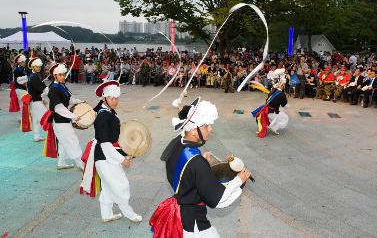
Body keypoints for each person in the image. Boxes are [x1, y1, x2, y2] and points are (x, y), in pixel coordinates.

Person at [150, 97, 251, 237]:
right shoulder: (197, 163)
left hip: (181, 211)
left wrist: (198, 166)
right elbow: (219, 200)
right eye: (205, 126)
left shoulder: (177, 143)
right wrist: (239, 180)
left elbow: (180, 172)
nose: (210, 129)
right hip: (193, 222)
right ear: (192, 130)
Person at [80, 80, 142, 223]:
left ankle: (106, 215)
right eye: (111, 98)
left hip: (107, 156)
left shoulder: (108, 111)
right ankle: (129, 214)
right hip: (105, 157)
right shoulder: (103, 116)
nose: (114, 101)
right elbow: (105, 144)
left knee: (108, 188)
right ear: (104, 98)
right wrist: (122, 160)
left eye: (116, 98)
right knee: (121, 185)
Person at [46, 63, 84, 170]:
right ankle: (80, 163)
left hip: (63, 119)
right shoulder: (53, 89)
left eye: (64, 74)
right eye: (60, 75)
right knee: (72, 140)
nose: (63, 77)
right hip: (59, 120)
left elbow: (70, 99)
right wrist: (73, 116)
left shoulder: (62, 86)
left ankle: (61, 163)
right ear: (55, 76)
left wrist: (80, 102)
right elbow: (58, 108)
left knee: (63, 141)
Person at [252, 69, 289, 137]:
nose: (284, 85)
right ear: (282, 84)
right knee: (285, 117)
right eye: (283, 84)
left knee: (278, 113)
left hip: (265, 110)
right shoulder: (281, 94)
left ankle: (271, 125)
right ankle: (274, 127)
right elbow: (285, 106)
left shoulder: (273, 90)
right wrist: (286, 101)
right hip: (270, 112)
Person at [27, 57, 48, 141]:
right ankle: (53, 135)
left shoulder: (33, 76)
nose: (38, 68)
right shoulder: (34, 77)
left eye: (39, 66)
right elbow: (42, 89)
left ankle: (37, 136)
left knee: (36, 119)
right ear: (33, 67)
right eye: (36, 66)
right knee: (46, 117)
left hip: (34, 101)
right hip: (36, 101)